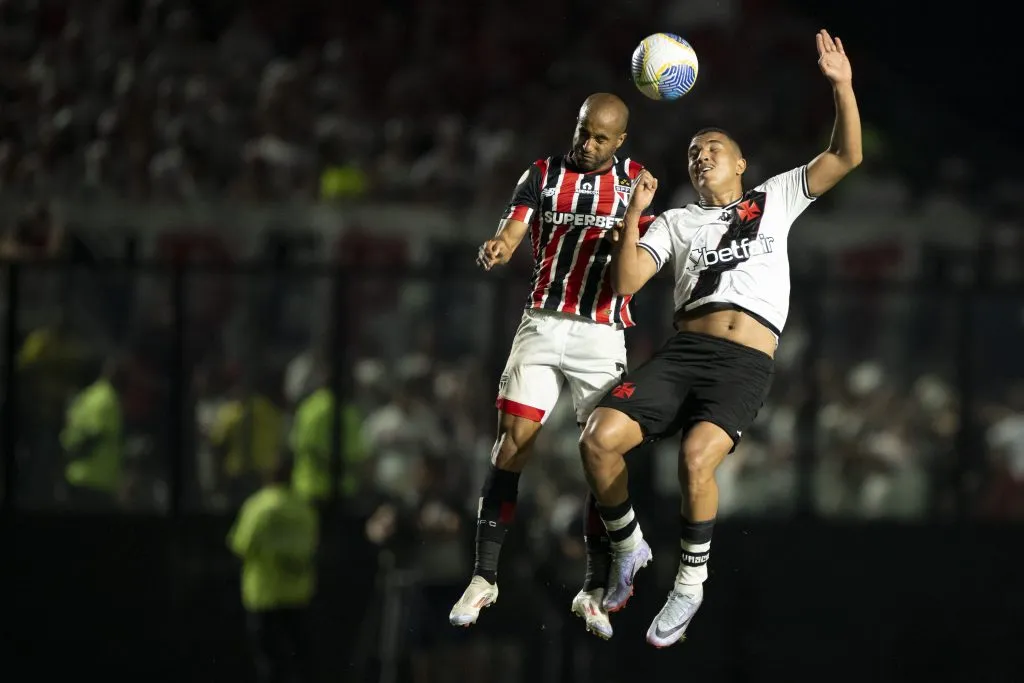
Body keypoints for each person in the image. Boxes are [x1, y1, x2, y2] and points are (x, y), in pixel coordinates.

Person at [578, 29, 862, 647]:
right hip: (685, 353)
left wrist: (841, 86)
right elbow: (626, 279)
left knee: (695, 459)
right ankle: (628, 545)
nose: (701, 154)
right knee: (599, 440)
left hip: (743, 364)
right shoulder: (678, 219)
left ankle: (689, 583)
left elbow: (845, 158)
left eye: (713, 146)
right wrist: (634, 213)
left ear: (740, 164)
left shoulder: (775, 197)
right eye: (692, 150)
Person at [448, 92, 655, 640]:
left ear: (620, 141)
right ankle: (484, 576)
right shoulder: (540, 174)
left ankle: (592, 587)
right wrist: (498, 245)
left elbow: (634, 267)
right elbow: (513, 232)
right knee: (512, 443)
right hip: (543, 320)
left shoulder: (639, 184)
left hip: (603, 331)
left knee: (600, 455)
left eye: (600, 138)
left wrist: (630, 223)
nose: (587, 145)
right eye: (583, 132)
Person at [228, 456, 319, 682]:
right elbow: (312, 544)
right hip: (297, 594)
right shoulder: (303, 507)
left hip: (264, 595)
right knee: (300, 658)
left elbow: (240, 545)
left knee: (269, 661)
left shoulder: (258, 506)